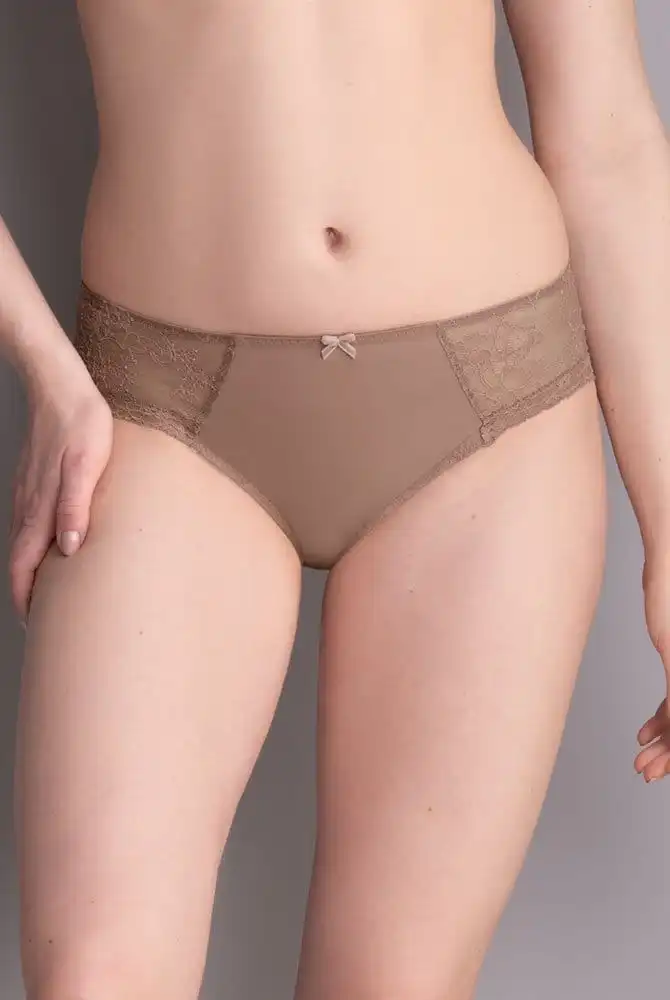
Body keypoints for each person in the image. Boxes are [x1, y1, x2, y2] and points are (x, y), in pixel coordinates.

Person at [1, 1, 669, 997]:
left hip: (491, 411)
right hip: (158, 404)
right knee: (94, 977)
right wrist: (46, 372)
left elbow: (606, 133)